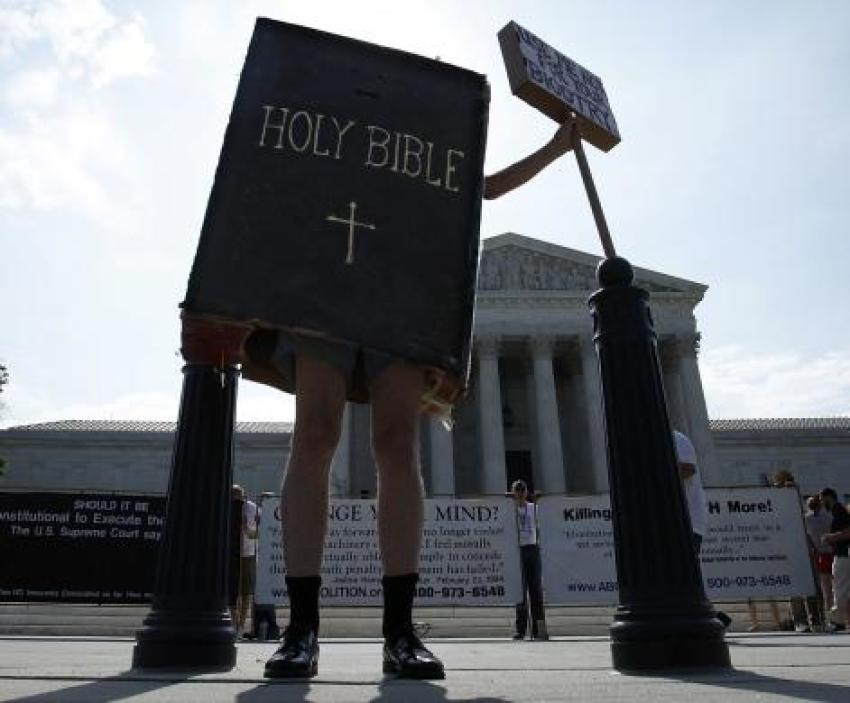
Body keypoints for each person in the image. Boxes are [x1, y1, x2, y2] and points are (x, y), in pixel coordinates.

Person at [263, 122, 577, 680]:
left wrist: (555, 147)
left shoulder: (422, 154)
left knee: (396, 445)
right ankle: (302, 627)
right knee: (313, 436)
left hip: (401, 299)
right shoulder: (338, 134)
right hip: (325, 286)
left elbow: (487, 187)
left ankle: (400, 630)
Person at [673, 430, 732, 629]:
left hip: (689, 520)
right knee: (677, 574)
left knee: (685, 572)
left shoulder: (676, 439)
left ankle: (707, 616)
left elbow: (688, 468)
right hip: (669, 521)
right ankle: (708, 615)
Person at [508, 479, 548, 641]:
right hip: (517, 550)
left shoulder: (534, 508)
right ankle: (521, 630)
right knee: (520, 592)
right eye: (516, 490)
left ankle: (540, 628)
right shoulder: (509, 511)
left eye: (522, 489)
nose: (519, 492)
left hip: (532, 548)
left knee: (536, 591)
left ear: (526, 491)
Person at [820, 488, 850, 632]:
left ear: (828, 497)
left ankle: (837, 621)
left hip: (843, 556)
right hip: (844, 555)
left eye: (822, 499)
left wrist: (830, 537)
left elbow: (847, 533)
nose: (821, 503)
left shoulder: (839, 511)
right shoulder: (839, 511)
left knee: (839, 588)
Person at [231, 485, 259, 638]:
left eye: (239, 497)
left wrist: (247, 530)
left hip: (248, 553)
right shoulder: (227, 508)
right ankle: (234, 623)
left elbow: (260, 532)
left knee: (246, 590)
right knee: (233, 590)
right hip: (232, 554)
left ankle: (241, 624)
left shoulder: (252, 509)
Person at [803, 494, 831, 631]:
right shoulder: (829, 517)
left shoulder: (806, 519)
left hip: (818, 555)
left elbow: (807, 538)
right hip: (831, 552)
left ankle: (825, 618)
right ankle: (831, 617)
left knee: (824, 588)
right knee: (832, 588)